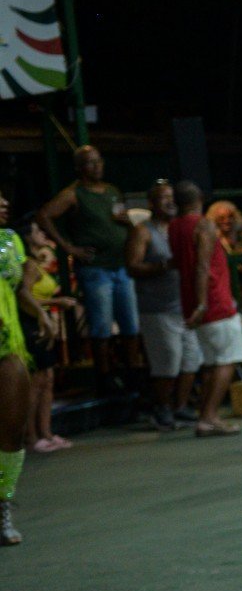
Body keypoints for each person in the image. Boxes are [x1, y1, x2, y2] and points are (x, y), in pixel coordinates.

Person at [36, 145, 139, 388]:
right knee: (101, 324)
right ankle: (105, 375)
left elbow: (123, 220)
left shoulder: (112, 191)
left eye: (99, 161)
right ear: (80, 168)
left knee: (130, 323)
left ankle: (133, 372)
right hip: (97, 268)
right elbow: (44, 215)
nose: (97, 167)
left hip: (121, 265)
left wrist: (126, 222)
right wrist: (68, 248)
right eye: (90, 163)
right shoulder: (74, 193)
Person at [166, 182, 242, 438]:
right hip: (213, 300)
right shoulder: (203, 225)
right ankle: (210, 417)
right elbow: (201, 266)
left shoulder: (174, 227)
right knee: (227, 360)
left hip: (192, 300)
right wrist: (202, 302)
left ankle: (205, 416)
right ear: (199, 198)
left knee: (212, 362)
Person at [128, 181, 200, 431]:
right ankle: (163, 408)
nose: (170, 202)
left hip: (185, 305)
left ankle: (180, 406)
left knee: (192, 359)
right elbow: (132, 266)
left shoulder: (180, 227)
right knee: (167, 361)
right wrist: (163, 266)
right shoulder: (143, 231)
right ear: (151, 204)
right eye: (163, 198)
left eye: (173, 198)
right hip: (157, 308)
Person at [22, 226, 71, 452]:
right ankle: (31, 436)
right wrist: (56, 303)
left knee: (48, 379)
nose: (43, 234)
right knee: (36, 382)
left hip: (44, 324)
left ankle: (47, 432)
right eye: (37, 231)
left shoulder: (38, 263)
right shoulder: (29, 265)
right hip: (31, 324)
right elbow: (24, 297)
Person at [0, 191, 31, 543]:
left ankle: (3, 505)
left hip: (9, 342)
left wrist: (41, 315)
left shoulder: (10, 241)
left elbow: (21, 289)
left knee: (11, 429)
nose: (5, 203)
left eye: (6, 198)